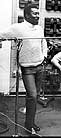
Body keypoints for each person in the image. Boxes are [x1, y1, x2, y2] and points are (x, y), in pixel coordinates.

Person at [0, 4, 48, 135]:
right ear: (27, 15)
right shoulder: (17, 28)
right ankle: (29, 124)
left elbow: (43, 42)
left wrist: (44, 56)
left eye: (38, 13)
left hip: (40, 66)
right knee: (32, 95)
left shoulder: (39, 28)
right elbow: (1, 34)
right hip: (27, 69)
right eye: (35, 13)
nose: (38, 15)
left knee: (35, 96)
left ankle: (30, 123)